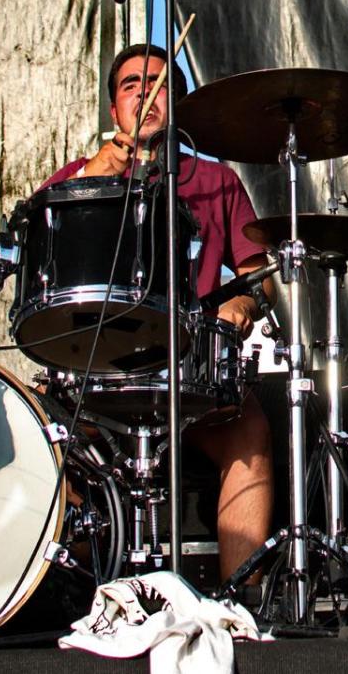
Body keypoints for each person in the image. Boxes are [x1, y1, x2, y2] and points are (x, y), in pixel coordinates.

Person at [40, 43, 277, 584]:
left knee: (250, 429)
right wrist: (90, 177)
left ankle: (239, 606)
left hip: (187, 375)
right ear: (114, 110)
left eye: (159, 84)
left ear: (178, 106)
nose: (145, 94)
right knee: (38, 434)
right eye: (131, 86)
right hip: (93, 374)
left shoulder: (216, 181)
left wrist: (242, 302)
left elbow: (260, 277)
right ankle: (73, 598)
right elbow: (37, 253)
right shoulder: (78, 175)